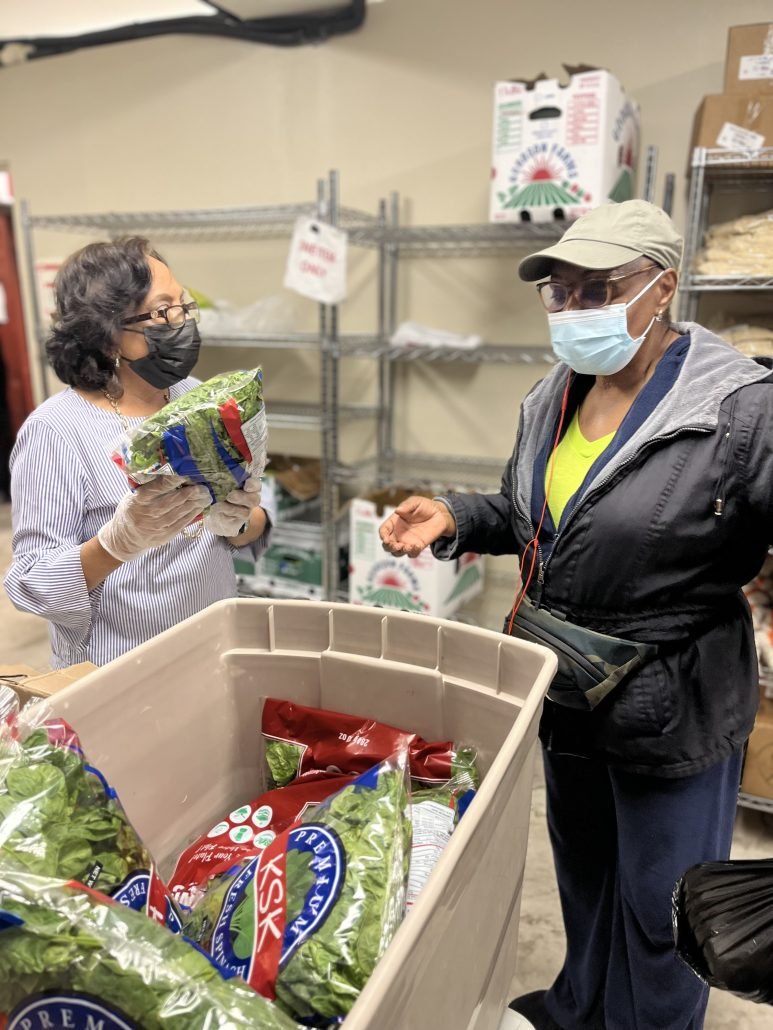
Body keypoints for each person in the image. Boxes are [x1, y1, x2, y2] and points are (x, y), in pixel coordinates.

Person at [379, 200, 773, 1030]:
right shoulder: (552, 395)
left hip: (671, 704)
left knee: (662, 912)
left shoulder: (741, 410)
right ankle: (579, 1009)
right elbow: (542, 522)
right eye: (558, 290)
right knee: (584, 877)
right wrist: (459, 517)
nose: (572, 307)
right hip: (565, 689)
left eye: (597, 287)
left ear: (660, 288)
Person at [4, 237, 273, 669]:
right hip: (120, 672)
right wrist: (117, 543)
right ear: (106, 334)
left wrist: (240, 518)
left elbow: (254, 523)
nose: (181, 323)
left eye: (183, 307)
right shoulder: (56, 432)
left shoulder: (196, 398)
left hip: (214, 648)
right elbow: (31, 583)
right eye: (164, 312)